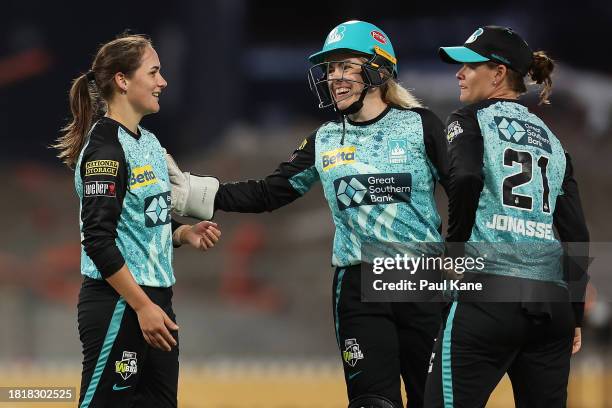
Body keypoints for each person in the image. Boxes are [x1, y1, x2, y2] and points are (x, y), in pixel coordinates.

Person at [166, 21, 449, 408]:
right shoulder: (324, 139)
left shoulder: (422, 126)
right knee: (372, 404)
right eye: (330, 69)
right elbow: (269, 192)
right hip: (358, 283)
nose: (335, 77)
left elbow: (466, 193)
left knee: (434, 401)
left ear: (379, 69)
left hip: (420, 278)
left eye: (346, 66)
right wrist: (193, 195)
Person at [424, 26, 590, 407]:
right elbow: (576, 231)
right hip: (552, 306)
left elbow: (465, 176)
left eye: (469, 64)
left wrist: (454, 249)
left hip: (489, 294)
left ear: (498, 74)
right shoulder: (554, 141)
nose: (458, 73)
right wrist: (576, 312)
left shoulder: (468, 120)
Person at [52, 34, 221, 408]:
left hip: (157, 301)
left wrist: (182, 232)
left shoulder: (148, 143)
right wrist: (142, 306)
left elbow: (141, 220)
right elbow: (98, 240)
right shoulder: (104, 151)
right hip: (120, 303)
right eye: (154, 72)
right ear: (123, 80)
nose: (162, 82)